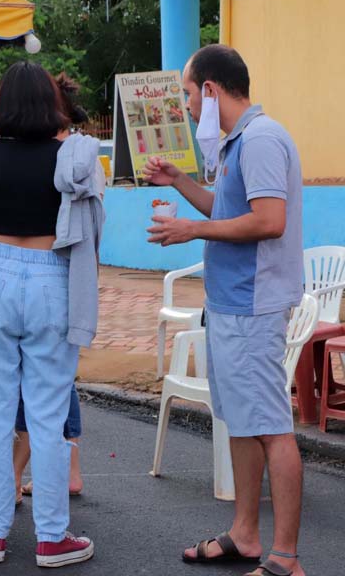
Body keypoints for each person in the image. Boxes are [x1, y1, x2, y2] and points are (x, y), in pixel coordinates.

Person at [144, 44, 304, 576]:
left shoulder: (260, 139)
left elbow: (268, 221)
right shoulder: (239, 142)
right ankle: (245, 535)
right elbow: (229, 208)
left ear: (210, 90)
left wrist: (191, 230)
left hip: (255, 306)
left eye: (190, 95)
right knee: (240, 422)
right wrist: (181, 185)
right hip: (232, 302)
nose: (188, 108)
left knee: (271, 427)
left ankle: (285, 556)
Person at [0, 61, 96, 568]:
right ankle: (52, 539)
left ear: (1, 106)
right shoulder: (72, 159)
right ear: (51, 104)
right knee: (48, 416)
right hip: (52, 276)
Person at [15, 73, 90, 501]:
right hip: (70, 276)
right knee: (59, 379)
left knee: (38, 381)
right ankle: (69, 468)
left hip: (49, 276)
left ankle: (12, 475)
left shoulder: (62, 155)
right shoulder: (75, 152)